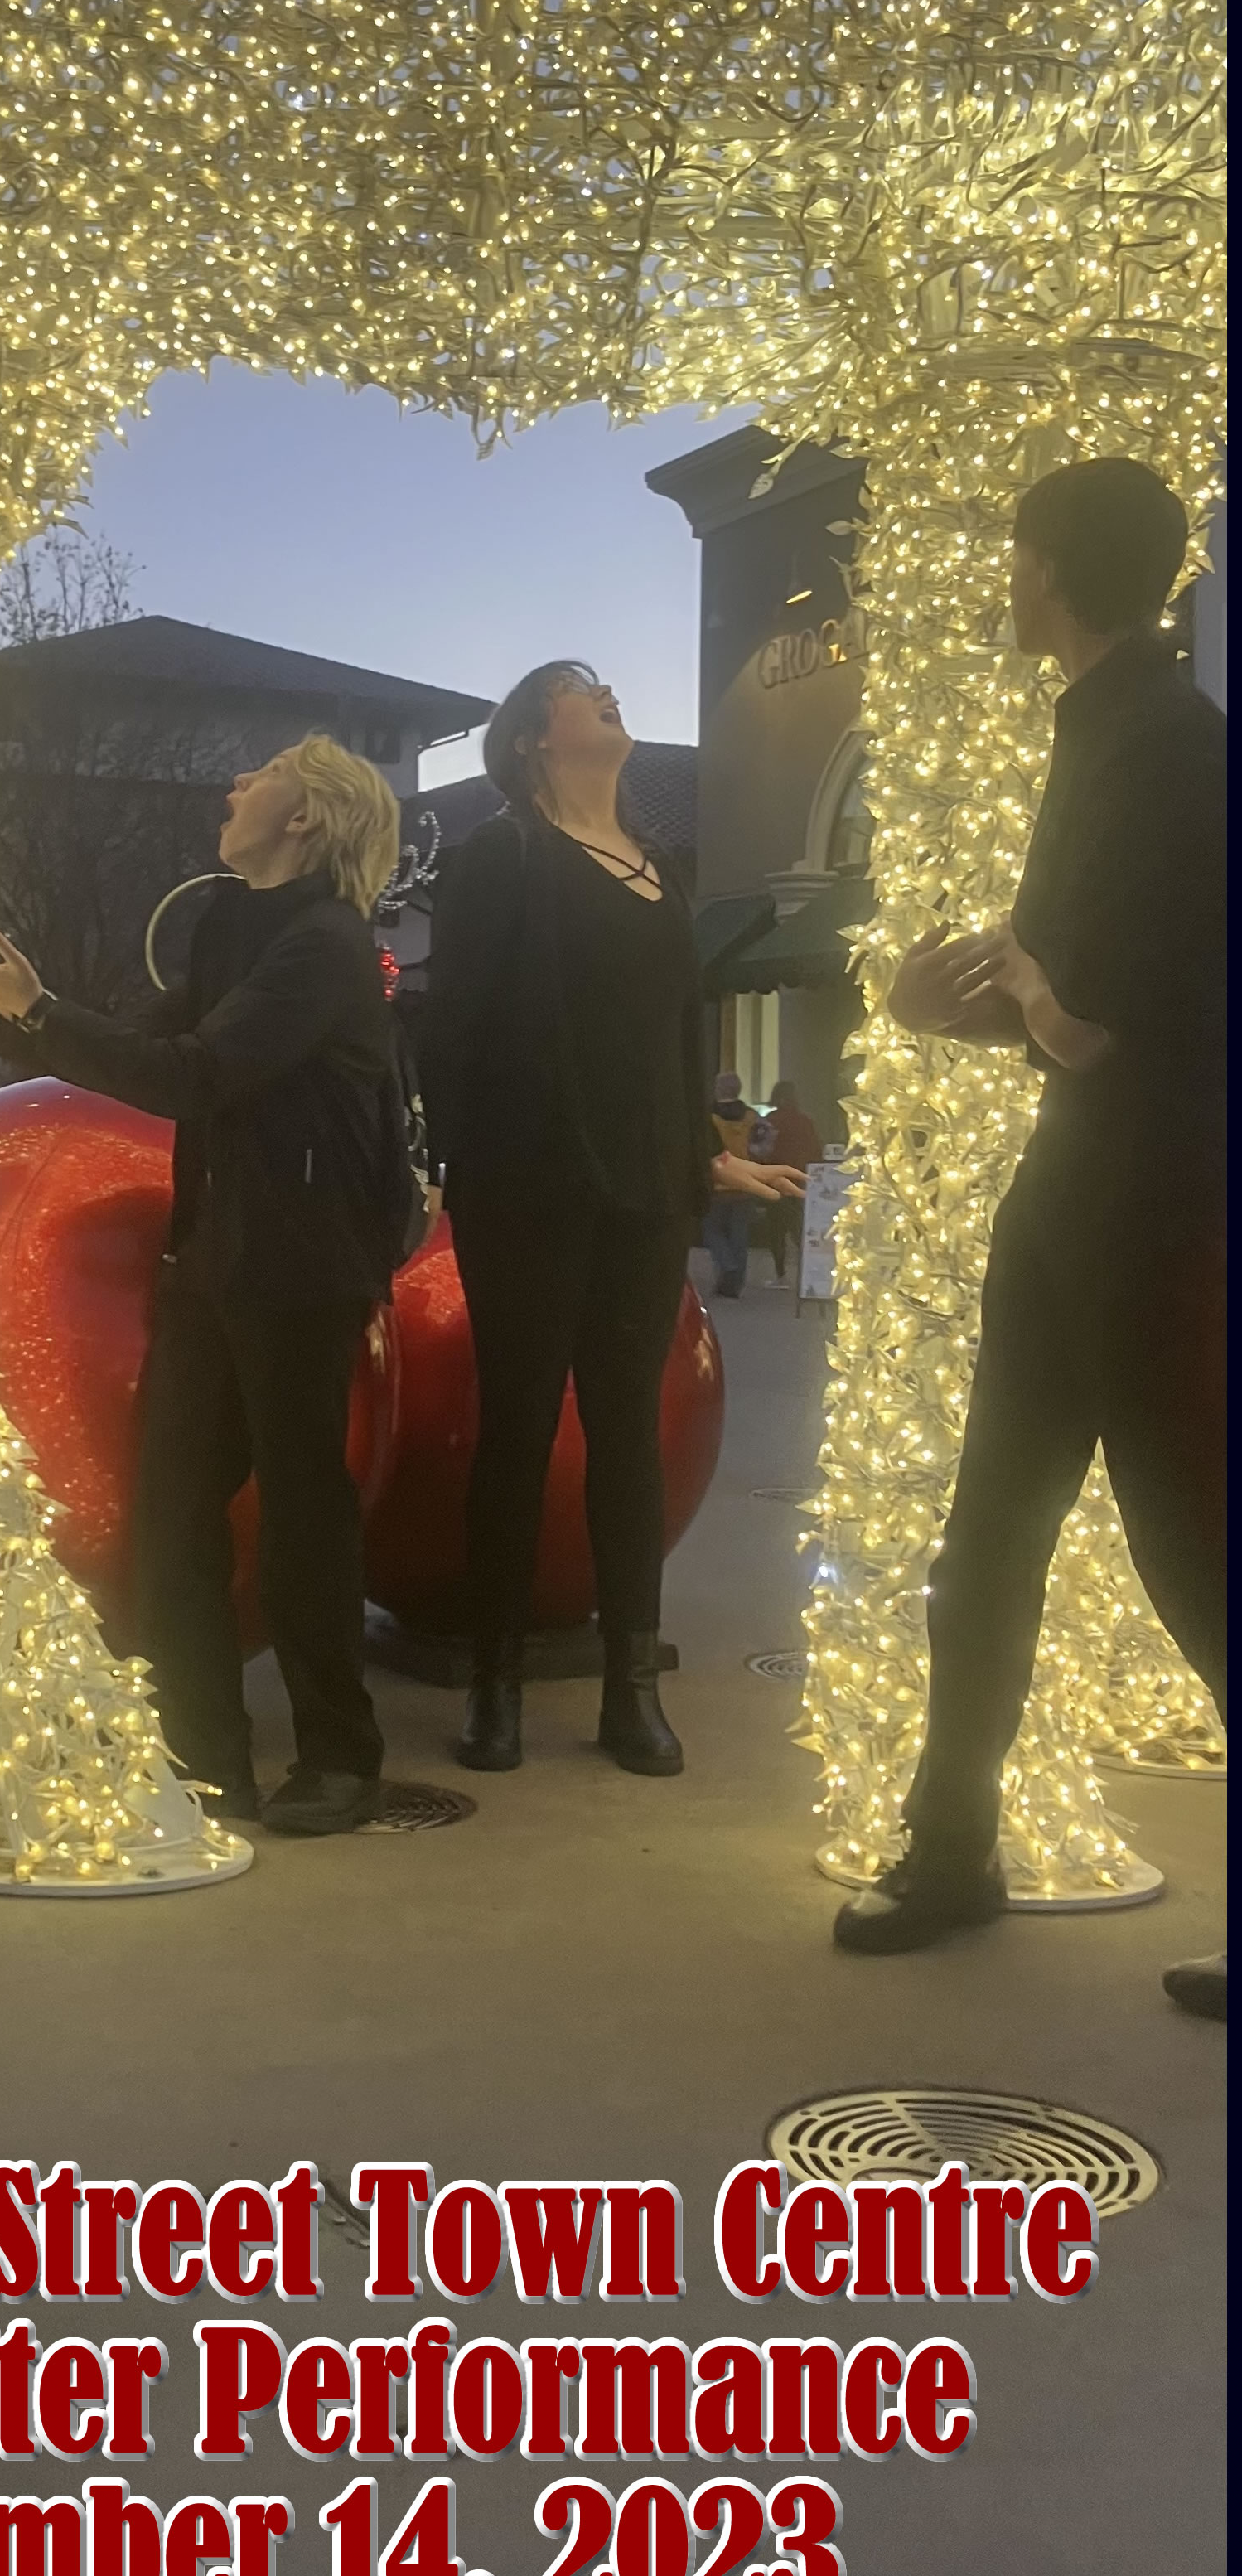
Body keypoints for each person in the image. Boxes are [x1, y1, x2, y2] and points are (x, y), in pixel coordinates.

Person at [833, 458, 1226, 2018]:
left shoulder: (1167, 748)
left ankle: (948, 1856)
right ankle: (950, 1851)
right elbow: (1082, 1008)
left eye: (1013, 553)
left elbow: (1121, 1011)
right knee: (985, 1535)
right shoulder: (1116, 727)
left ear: (1052, 566)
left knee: (1194, 1553)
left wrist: (1010, 996)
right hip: (1081, 1200)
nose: (1002, 581)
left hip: (1149, 1212)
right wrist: (986, 1006)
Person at [0, 734, 411, 1838]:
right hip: (214, 1261)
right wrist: (18, 1005)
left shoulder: (326, 945)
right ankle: (201, 1756)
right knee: (176, 1514)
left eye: (261, 775)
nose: (233, 785)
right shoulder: (235, 924)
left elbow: (196, 1075)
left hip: (303, 1268)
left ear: (305, 817)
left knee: (301, 1518)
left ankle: (342, 1757)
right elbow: (147, 1047)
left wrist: (41, 1015)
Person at [420, 662, 802, 1778]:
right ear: (539, 736)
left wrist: (704, 1160)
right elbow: (455, 1030)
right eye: (585, 689)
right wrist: (463, 1162)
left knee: (628, 1434)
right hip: (528, 1193)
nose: (610, 695)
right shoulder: (503, 858)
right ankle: (494, 1685)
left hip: (645, 1195)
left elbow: (676, 1040)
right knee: (521, 1431)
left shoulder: (659, 871)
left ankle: (631, 1687)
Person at [751, 1079, 824, 1281]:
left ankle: (781, 1273)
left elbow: (760, 1151)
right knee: (798, 1227)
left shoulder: (771, 1121)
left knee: (776, 1228)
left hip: (776, 1178)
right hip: (800, 1178)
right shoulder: (805, 1121)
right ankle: (808, 1272)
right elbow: (816, 1150)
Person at [704, 1069, 761, 1295]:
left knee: (712, 1231)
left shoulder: (709, 1117)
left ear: (718, 1089)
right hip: (745, 1182)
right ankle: (734, 1285)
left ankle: (727, 1268)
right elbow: (761, 1147)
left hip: (717, 1182)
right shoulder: (751, 1116)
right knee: (740, 1237)